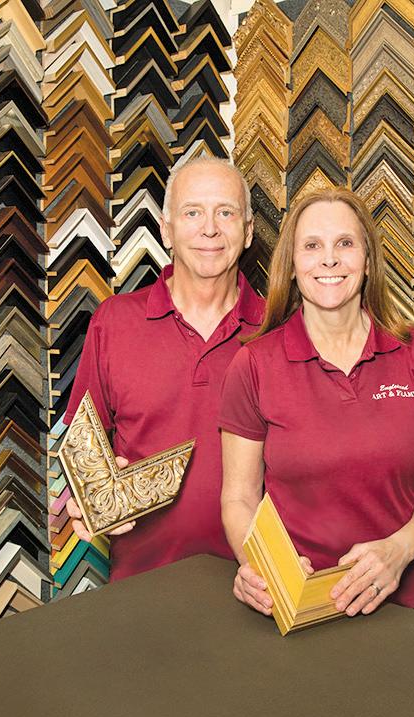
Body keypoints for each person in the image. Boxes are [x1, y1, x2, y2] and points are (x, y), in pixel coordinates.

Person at [219, 188, 414, 618]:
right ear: (291, 265)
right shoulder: (254, 364)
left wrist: (399, 550)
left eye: (345, 243)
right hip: (299, 604)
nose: (329, 259)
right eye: (312, 246)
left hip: (408, 605)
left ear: (368, 261)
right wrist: (262, 566)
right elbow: (239, 497)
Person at [65, 157, 264, 580]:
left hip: (256, 583)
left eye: (225, 213)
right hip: (139, 582)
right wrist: (81, 497)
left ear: (248, 231)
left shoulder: (278, 330)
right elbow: (82, 445)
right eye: (192, 212)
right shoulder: (114, 322)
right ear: (166, 229)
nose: (209, 229)